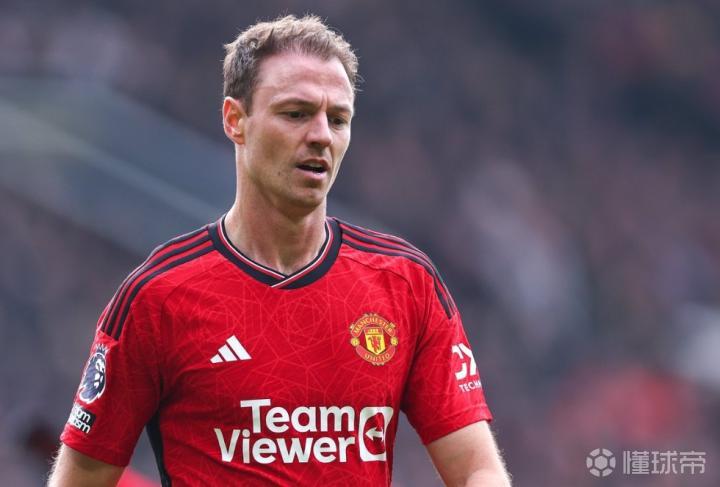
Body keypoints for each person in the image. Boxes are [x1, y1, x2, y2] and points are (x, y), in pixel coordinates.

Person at [48, 14, 511, 487]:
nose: (321, 135)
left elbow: (477, 469)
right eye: (296, 114)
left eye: (338, 119)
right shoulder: (158, 298)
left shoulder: (404, 283)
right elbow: (81, 478)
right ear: (235, 120)